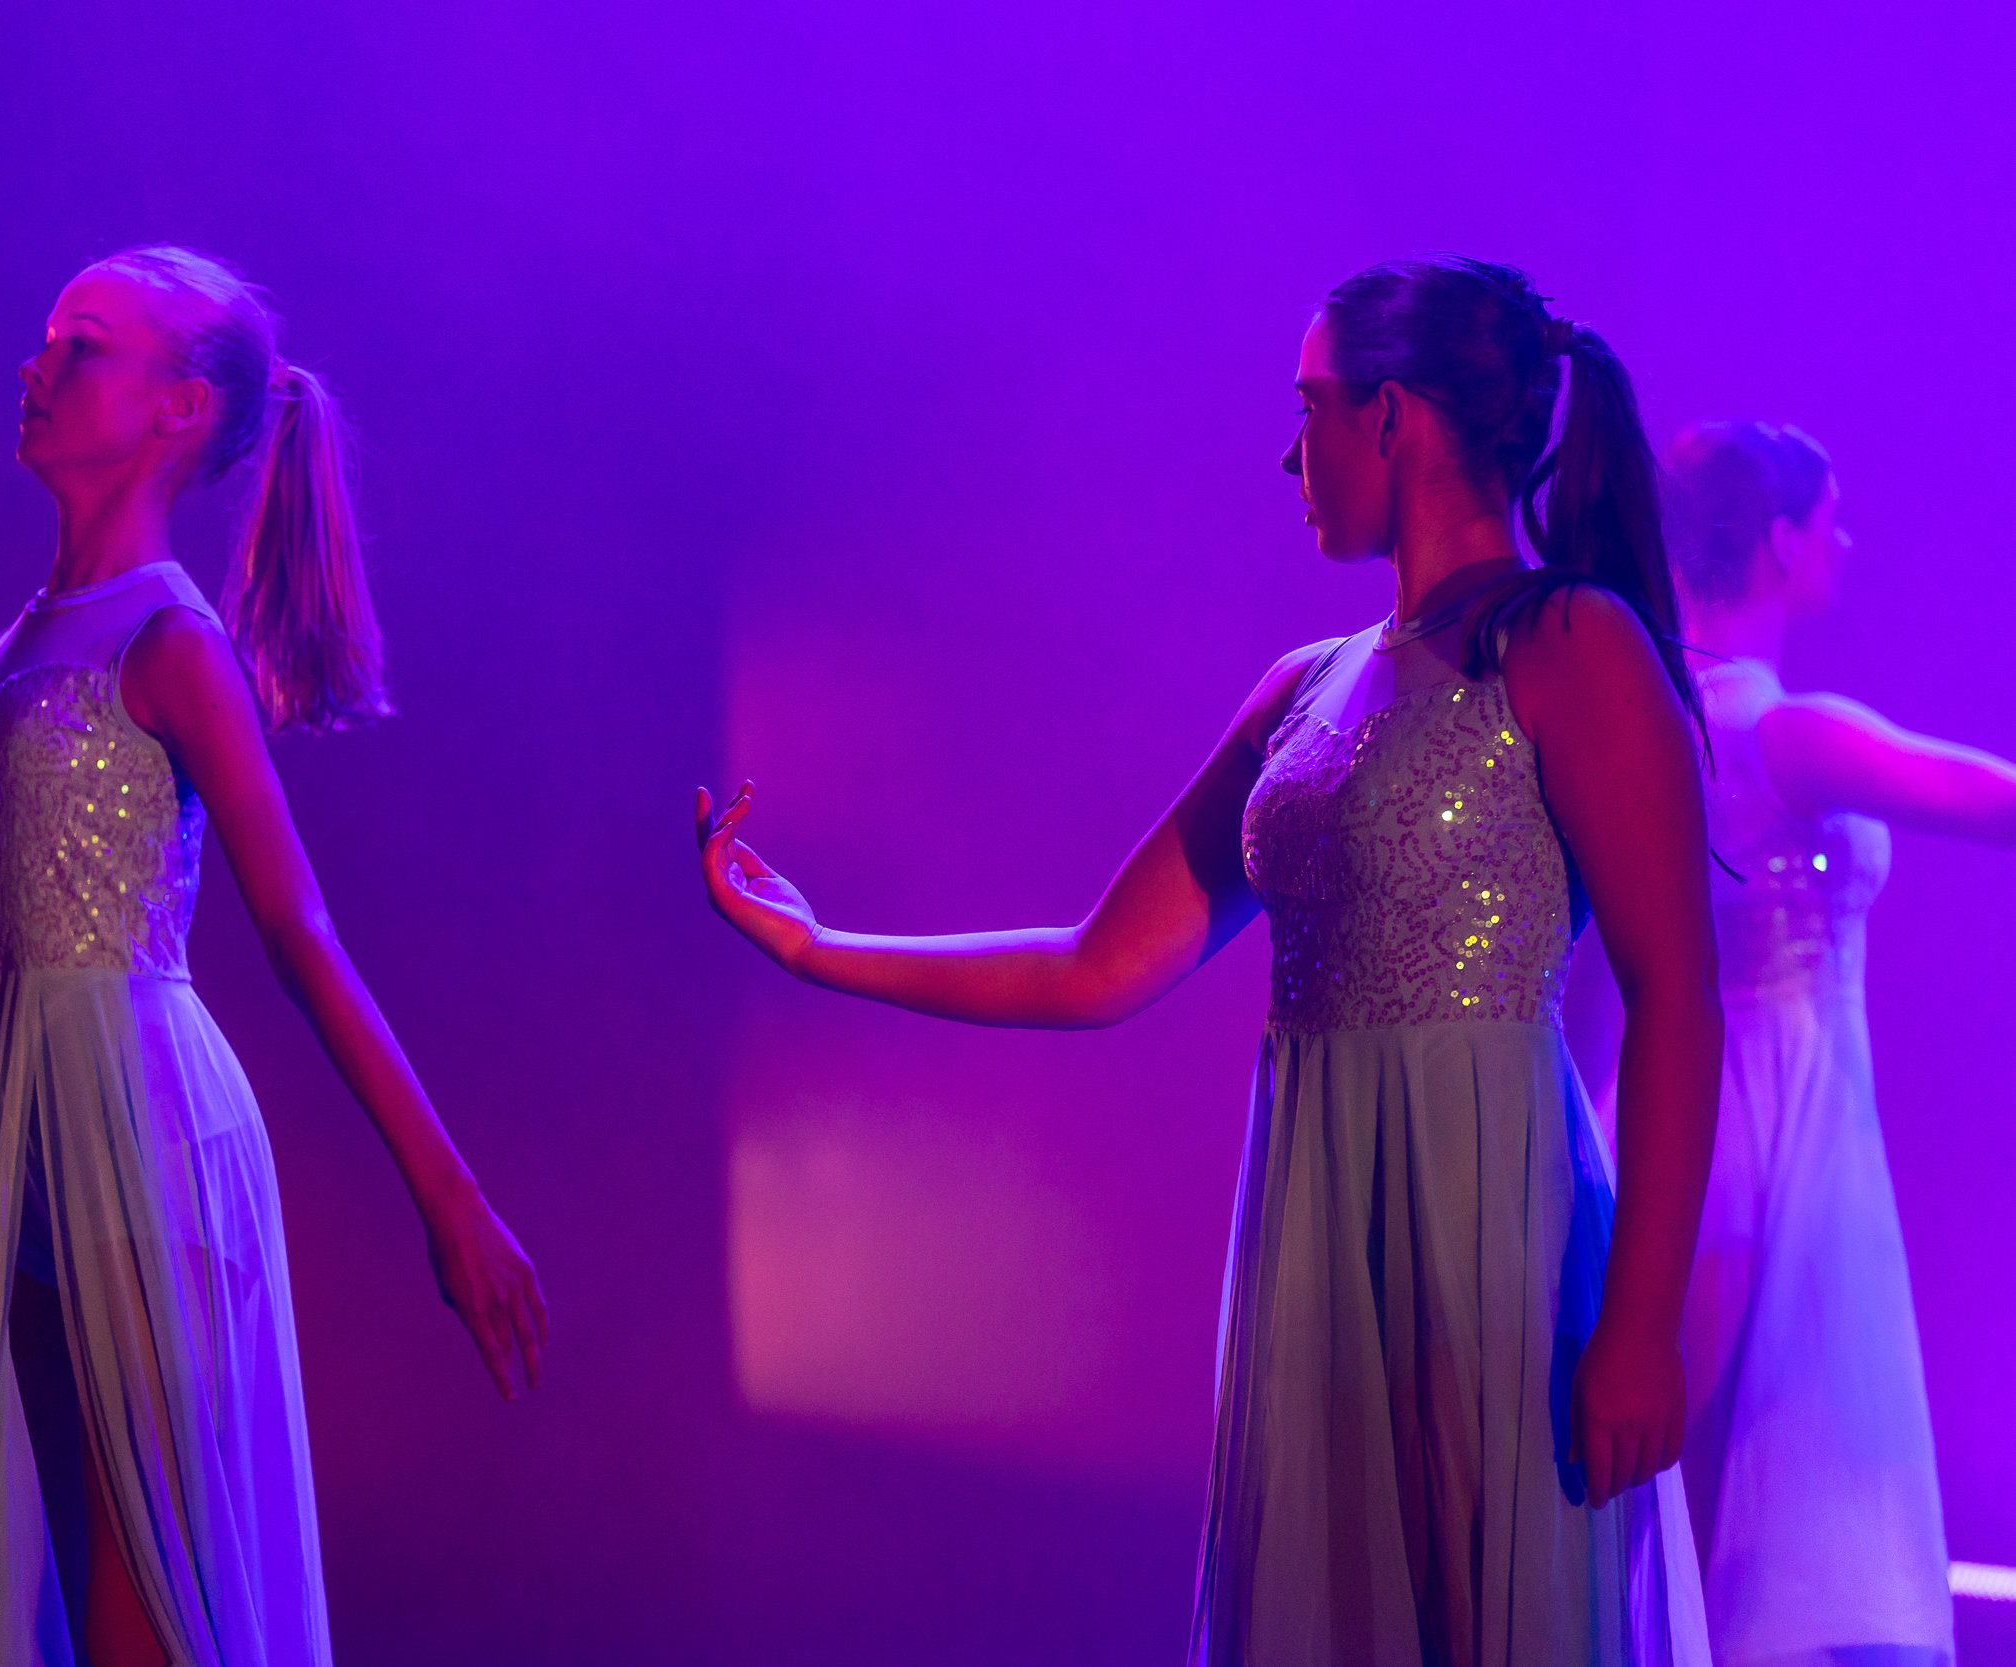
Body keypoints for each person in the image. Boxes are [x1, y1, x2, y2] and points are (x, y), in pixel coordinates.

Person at [698, 256, 1721, 1663]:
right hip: (1317, 1214)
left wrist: (1642, 1323)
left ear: (1393, 419)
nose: (1288, 451)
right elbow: (1099, 961)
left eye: (1310, 408)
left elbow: (1677, 994)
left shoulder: (1563, 642)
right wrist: (816, 946)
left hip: (1498, 1216)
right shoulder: (1302, 686)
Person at [0, 246, 547, 1667]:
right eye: (47, 342)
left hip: (144, 1153)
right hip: (36, 1150)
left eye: (83, 347)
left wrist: (452, 1196)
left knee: (141, 1619)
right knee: (61, 1596)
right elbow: (18, 929)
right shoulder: (34, 627)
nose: (36, 366)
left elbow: (300, 934)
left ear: (180, 407)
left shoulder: (175, 643)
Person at [1663, 419, 2013, 1667]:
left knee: (1691, 1466)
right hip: (1786, 1109)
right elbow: (1988, 795)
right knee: (1767, 1453)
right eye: (1831, 519)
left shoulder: (1654, 715)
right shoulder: (1780, 730)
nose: (1846, 541)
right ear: (1777, 542)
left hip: (1679, 1094)